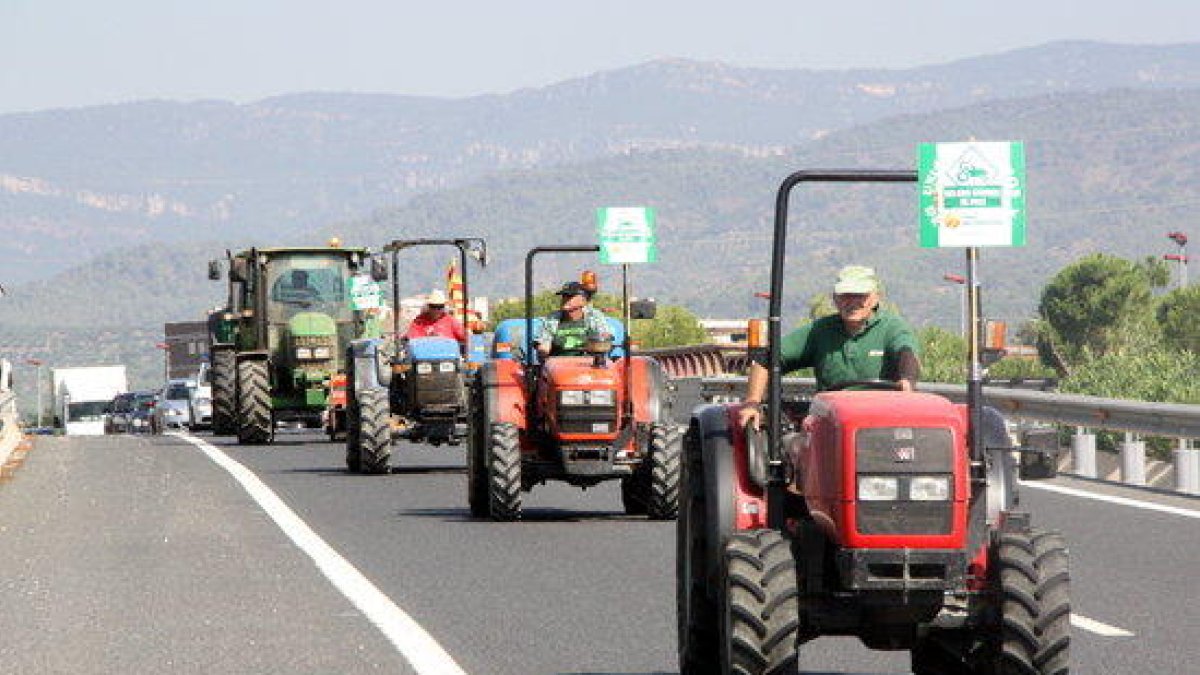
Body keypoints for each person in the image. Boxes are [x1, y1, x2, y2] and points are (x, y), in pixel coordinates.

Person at [740, 265, 920, 428]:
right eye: (845, 296)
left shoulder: (892, 327)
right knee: (792, 444)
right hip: (830, 421)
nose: (851, 302)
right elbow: (766, 359)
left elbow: (906, 352)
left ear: (874, 299)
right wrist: (752, 403)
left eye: (859, 296)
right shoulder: (821, 331)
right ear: (835, 299)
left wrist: (907, 381)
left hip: (881, 420)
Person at [535, 281, 612, 357]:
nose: (565, 299)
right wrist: (543, 350)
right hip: (558, 364)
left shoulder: (594, 316)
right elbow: (544, 346)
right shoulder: (552, 318)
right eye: (564, 296)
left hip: (586, 364)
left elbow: (603, 338)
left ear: (583, 301)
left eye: (570, 296)